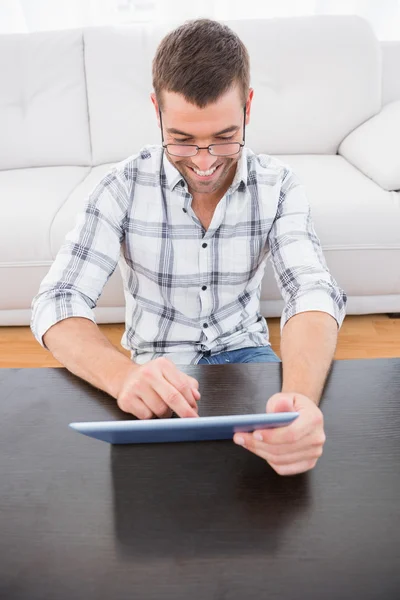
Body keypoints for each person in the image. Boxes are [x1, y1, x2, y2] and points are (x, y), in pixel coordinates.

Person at [31, 19, 347, 475]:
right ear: (156, 110)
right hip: (154, 367)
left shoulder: (279, 186)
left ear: (249, 106)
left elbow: (312, 291)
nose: (204, 162)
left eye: (223, 138)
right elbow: (58, 301)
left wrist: (299, 400)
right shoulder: (119, 187)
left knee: (284, 479)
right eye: (182, 140)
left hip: (246, 356)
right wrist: (123, 377)